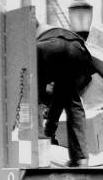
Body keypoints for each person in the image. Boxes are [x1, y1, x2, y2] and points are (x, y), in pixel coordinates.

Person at [36, 22, 94, 167]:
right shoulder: (80, 79)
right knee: (73, 103)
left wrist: (48, 132)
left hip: (47, 48)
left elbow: (53, 101)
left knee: (34, 99)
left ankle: (36, 150)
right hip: (78, 49)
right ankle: (81, 158)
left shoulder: (40, 42)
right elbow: (58, 101)